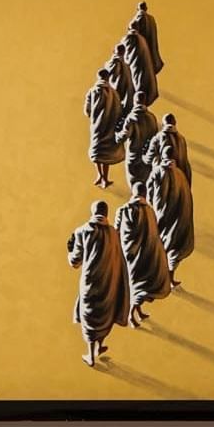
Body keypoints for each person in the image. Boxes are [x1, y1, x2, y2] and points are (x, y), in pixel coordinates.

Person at [67, 200, 130, 368]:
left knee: (90, 315)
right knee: (105, 313)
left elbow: (75, 261)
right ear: (106, 213)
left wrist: (70, 250)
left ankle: (91, 355)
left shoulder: (82, 231)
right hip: (109, 281)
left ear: (92, 212)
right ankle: (98, 347)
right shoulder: (113, 233)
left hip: (90, 282)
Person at [116, 177, 172, 326]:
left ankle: (138, 312)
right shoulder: (149, 211)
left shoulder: (122, 210)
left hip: (128, 254)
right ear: (145, 194)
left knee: (134, 284)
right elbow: (154, 232)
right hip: (145, 254)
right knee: (138, 286)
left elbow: (117, 230)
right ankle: (131, 316)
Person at [148, 138, 195, 286]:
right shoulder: (180, 175)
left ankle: (160, 276)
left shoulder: (157, 172)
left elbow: (149, 191)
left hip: (161, 213)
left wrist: (154, 206)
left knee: (159, 244)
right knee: (174, 247)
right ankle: (170, 277)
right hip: (178, 217)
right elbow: (187, 196)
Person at [85, 64, 125, 187]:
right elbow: (119, 109)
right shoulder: (114, 93)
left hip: (97, 125)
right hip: (110, 125)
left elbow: (87, 110)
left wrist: (94, 117)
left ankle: (100, 176)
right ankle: (104, 178)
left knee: (97, 150)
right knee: (106, 151)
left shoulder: (92, 91)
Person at [114, 102, 159, 191]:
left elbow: (124, 136)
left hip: (133, 155)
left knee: (133, 181)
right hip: (147, 154)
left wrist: (116, 134)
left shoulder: (131, 119)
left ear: (134, 102)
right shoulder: (152, 117)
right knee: (147, 180)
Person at [121, 19, 159, 107]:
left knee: (136, 83)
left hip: (134, 65)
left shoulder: (128, 38)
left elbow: (126, 53)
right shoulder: (141, 39)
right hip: (142, 64)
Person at [145, 112, 191, 184]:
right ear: (175, 123)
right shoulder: (181, 139)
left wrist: (143, 157)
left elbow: (149, 158)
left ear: (163, 124)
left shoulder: (158, 137)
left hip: (162, 175)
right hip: (180, 177)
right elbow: (185, 161)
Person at [130, 1, 164, 74]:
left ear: (138, 8)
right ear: (146, 8)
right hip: (150, 44)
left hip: (142, 46)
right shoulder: (151, 18)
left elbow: (132, 27)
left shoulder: (139, 16)